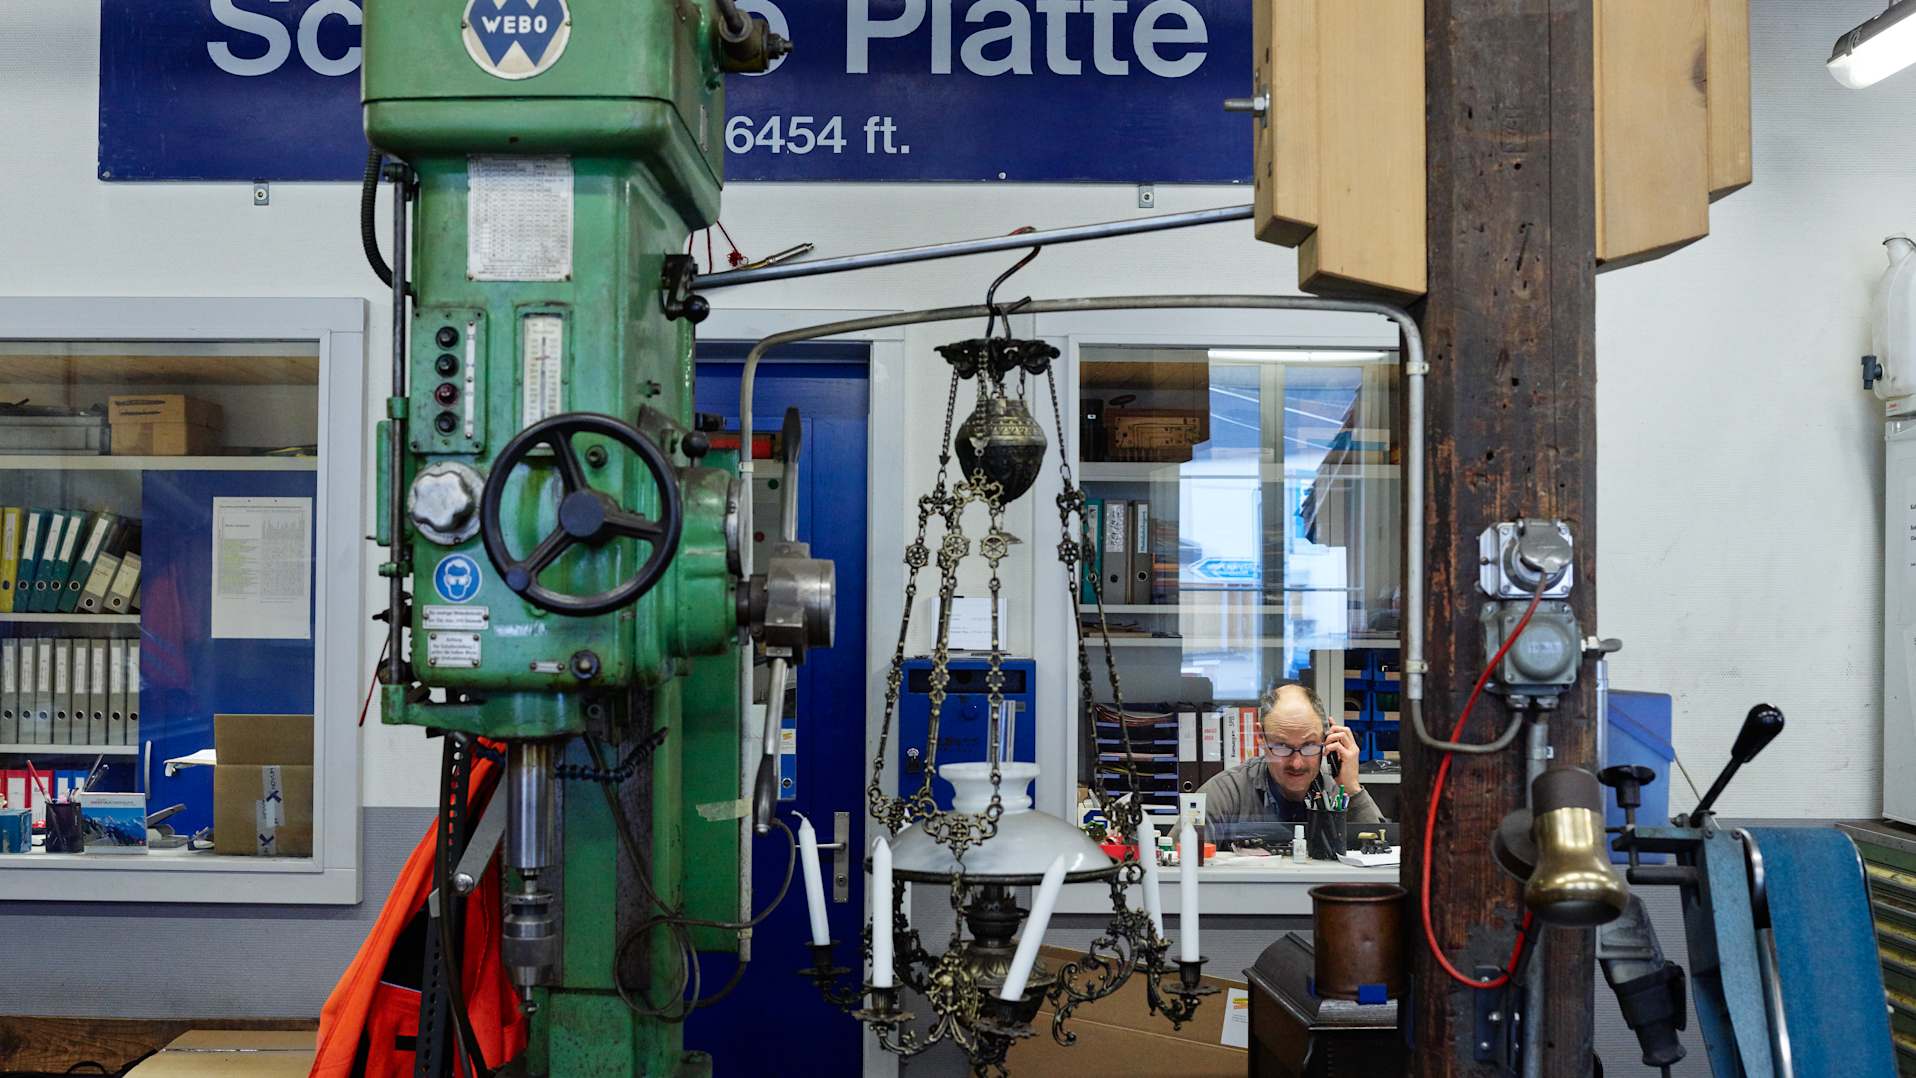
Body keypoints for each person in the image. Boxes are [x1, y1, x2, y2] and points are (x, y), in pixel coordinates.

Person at [1197, 681, 1383, 844]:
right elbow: (1176, 866)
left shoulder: (1338, 794)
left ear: (1327, 739)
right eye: (1282, 747)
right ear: (1261, 737)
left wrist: (1351, 789)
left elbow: (1380, 859)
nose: (1296, 763)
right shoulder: (1225, 794)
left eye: (1309, 746)